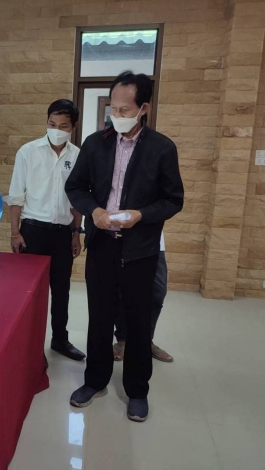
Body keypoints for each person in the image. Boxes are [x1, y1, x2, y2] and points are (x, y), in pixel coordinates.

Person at [65, 72, 184, 422]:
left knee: (137, 321)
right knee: (99, 316)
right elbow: (76, 188)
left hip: (140, 249)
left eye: (125, 109)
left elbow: (173, 200)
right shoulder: (95, 143)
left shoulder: (162, 148)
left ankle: (137, 390)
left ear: (143, 108)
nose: (117, 115)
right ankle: (95, 380)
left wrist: (141, 215)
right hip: (102, 244)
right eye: (113, 108)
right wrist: (94, 211)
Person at [4, 99, 86, 361]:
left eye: (63, 126)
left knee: (61, 291)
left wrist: (77, 232)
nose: (56, 130)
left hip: (63, 233)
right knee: (31, 293)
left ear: (73, 127)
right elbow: (16, 196)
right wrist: (15, 233)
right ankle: (29, 346)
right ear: (47, 121)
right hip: (32, 232)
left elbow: (78, 199)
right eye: (52, 124)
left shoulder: (78, 156)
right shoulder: (28, 152)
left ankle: (60, 340)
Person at [113, 233, 174, 363]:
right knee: (123, 292)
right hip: (124, 243)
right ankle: (122, 339)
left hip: (154, 243)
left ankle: (146, 341)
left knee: (157, 293)